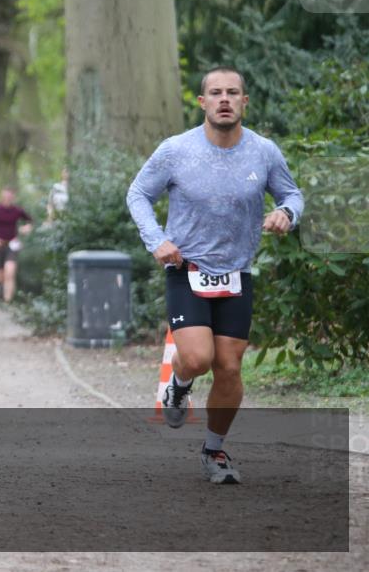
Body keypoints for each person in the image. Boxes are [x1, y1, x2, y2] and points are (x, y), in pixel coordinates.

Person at [127, 66, 303, 485]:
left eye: (233, 92)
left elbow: (292, 193)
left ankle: (213, 449)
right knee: (197, 359)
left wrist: (285, 213)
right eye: (216, 92)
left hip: (236, 274)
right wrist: (156, 240)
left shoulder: (263, 152)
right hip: (186, 269)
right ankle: (179, 383)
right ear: (202, 102)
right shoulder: (175, 150)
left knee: (229, 367)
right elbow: (138, 194)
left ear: (244, 102)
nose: (225, 99)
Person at [0, 187, 33, 302]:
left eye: (9, 197)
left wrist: (26, 228)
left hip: (12, 244)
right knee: (0, 277)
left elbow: (30, 221)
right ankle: (3, 287)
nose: (7, 199)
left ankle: (7, 301)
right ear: (1, 197)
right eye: (5, 197)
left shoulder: (17, 211)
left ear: (13, 197)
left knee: (9, 272)